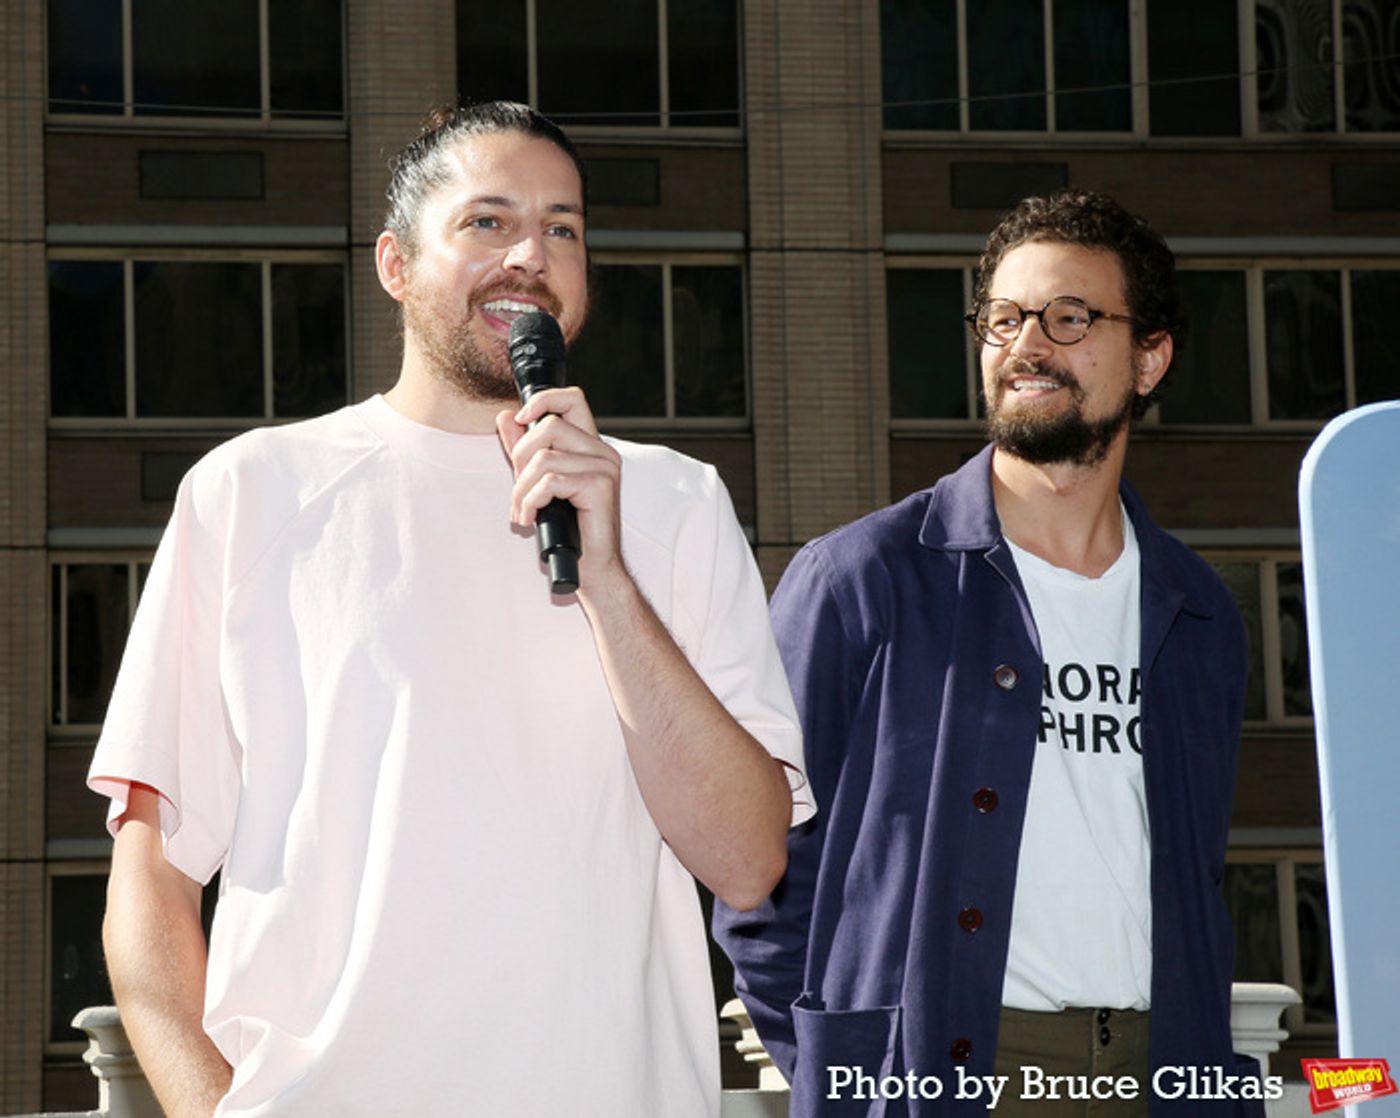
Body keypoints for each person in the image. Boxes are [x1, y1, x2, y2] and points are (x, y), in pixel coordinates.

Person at [91, 101, 812, 1118]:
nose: (530, 255)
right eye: (487, 222)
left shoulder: (678, 504)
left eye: (562, 228)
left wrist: (606, 575)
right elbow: (150, 882)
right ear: (393, 262)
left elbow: (746, 862)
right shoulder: (253, 491)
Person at [715, 190, 1261, 1116]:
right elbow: (760, 877)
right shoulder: (862, 580)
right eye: (1003, 319)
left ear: (1150, 359)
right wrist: (841, 1071)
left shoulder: (1200, 612)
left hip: (1164, 1075)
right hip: (944, 1077)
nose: (1027, 344)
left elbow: (1197, 879)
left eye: (1070, 317)